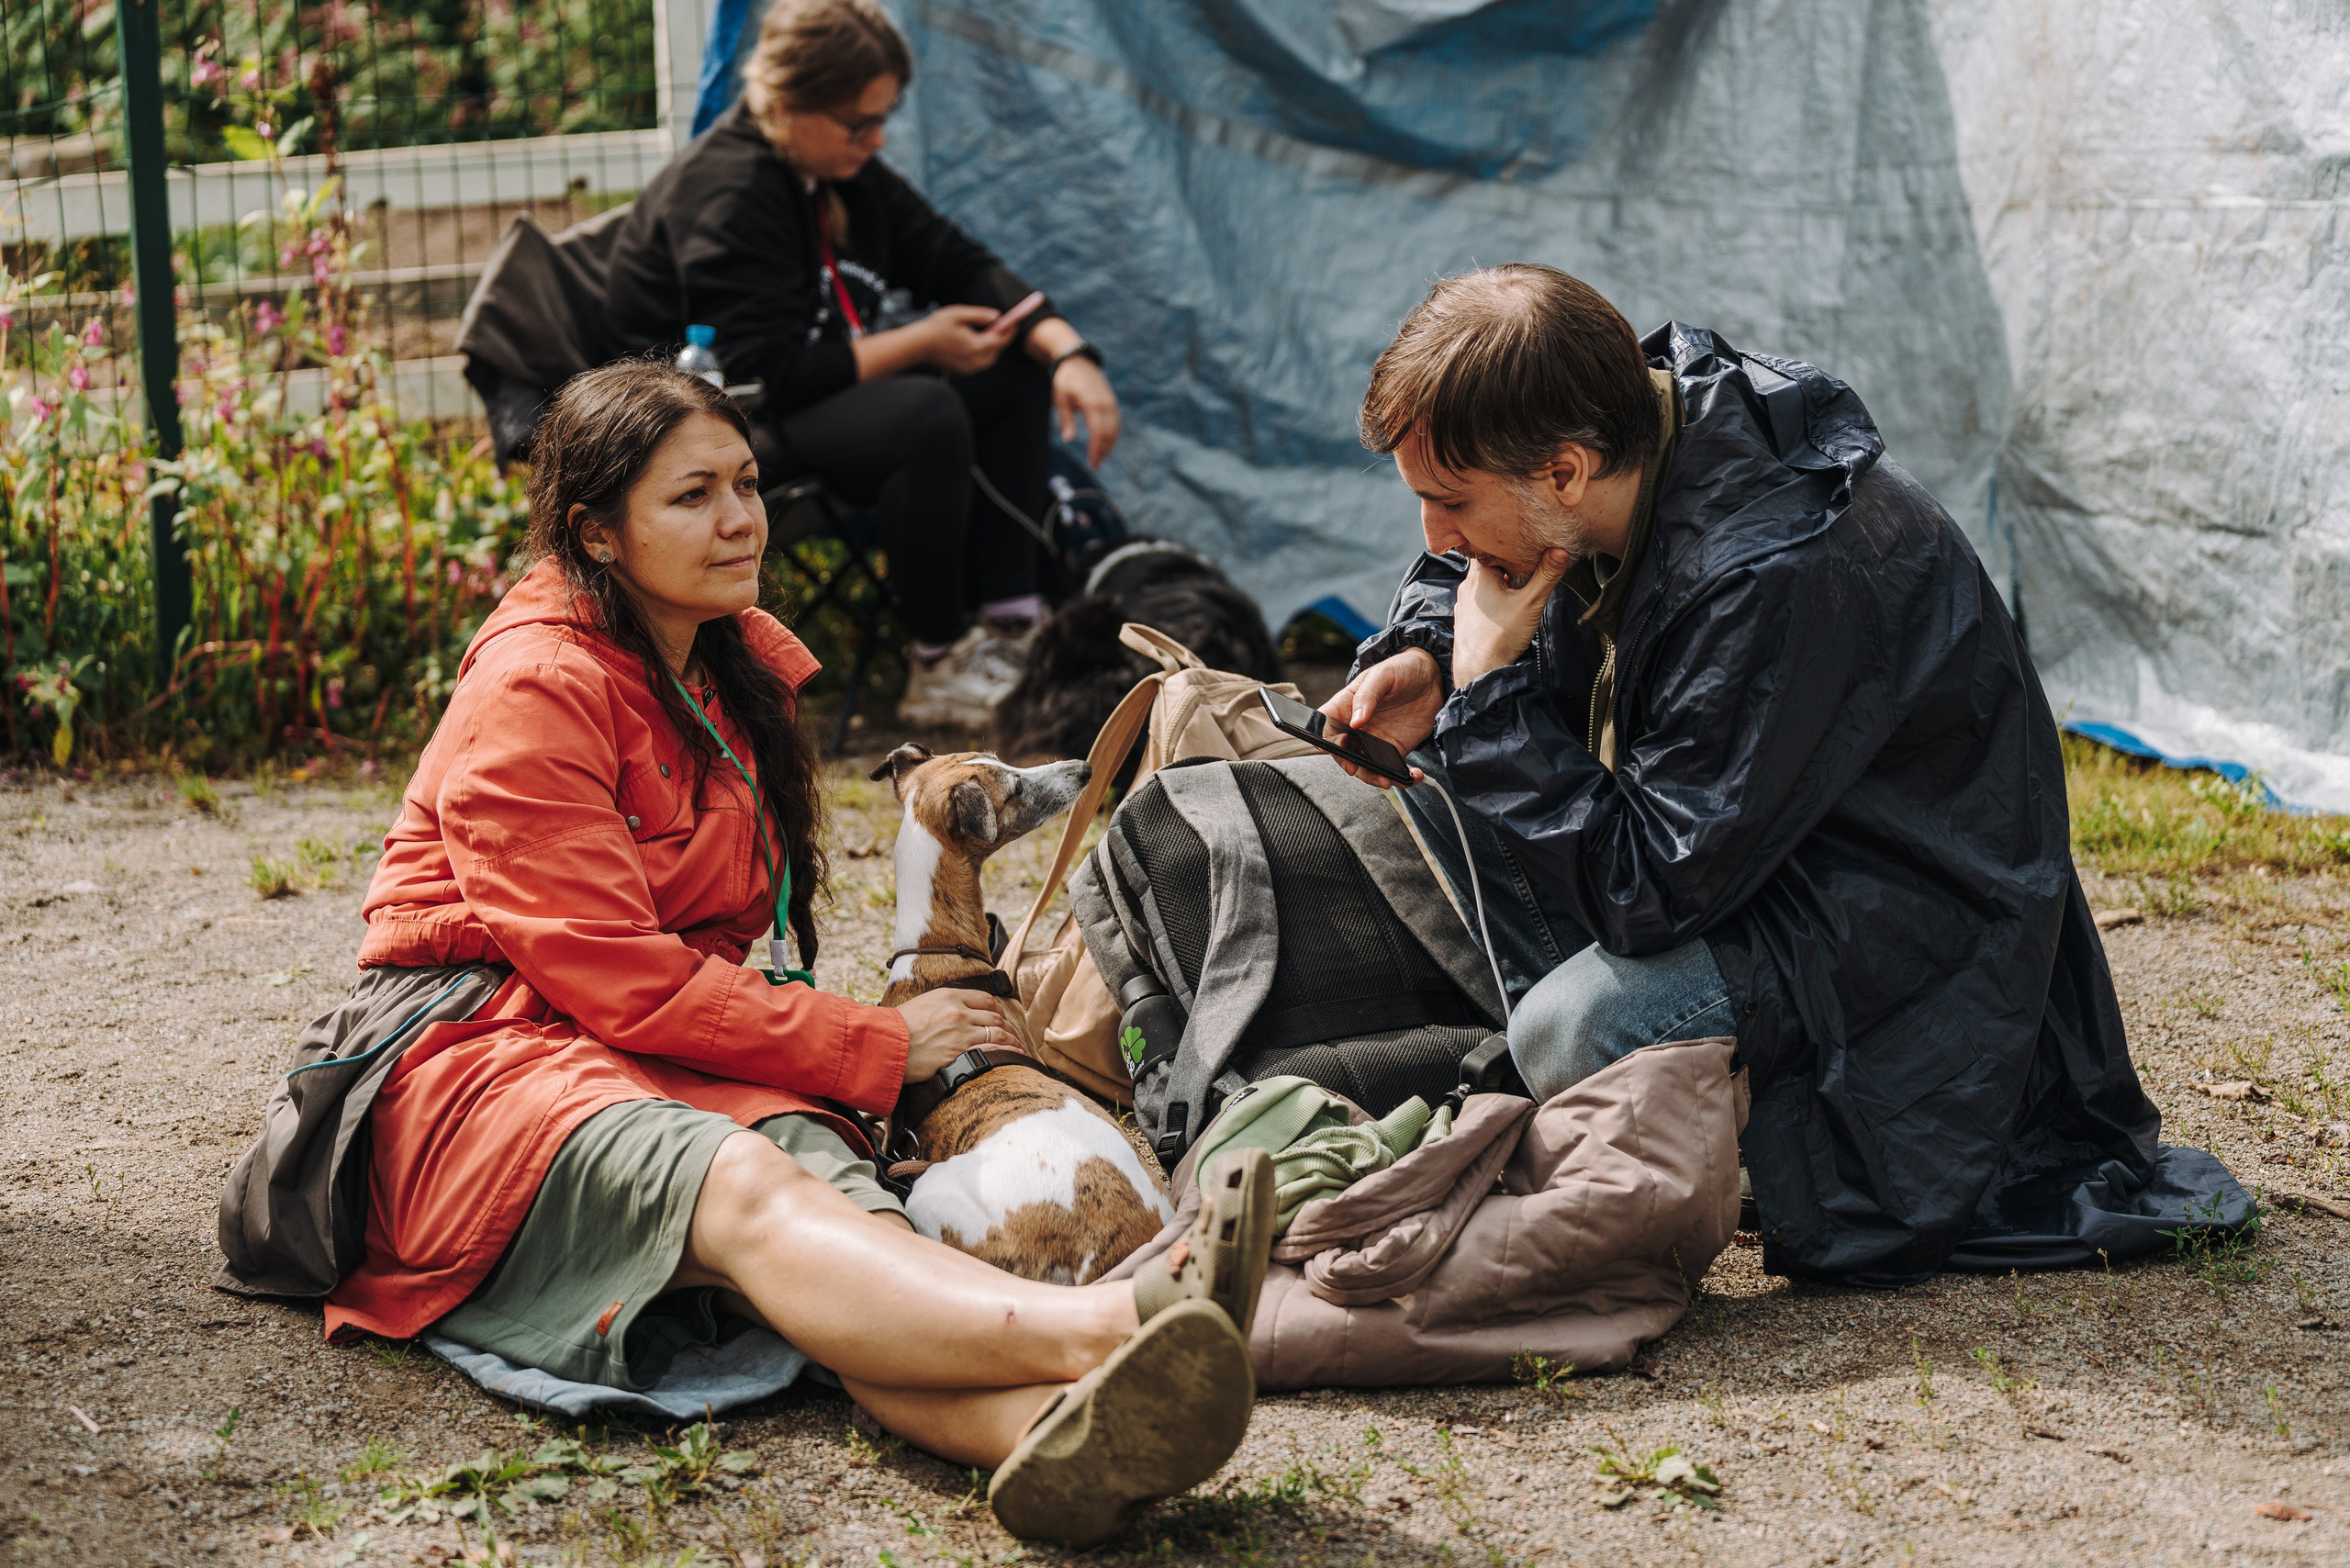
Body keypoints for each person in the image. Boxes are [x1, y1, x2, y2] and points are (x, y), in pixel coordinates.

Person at [319, 361, 1268, 1549]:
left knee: (851, 1229)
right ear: (595, 533)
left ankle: (1052, 1430)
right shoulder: (533, 688)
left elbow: (688, 968)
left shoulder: (723, 661)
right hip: (478, 1056)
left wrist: (821, 1062)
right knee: (748, 1190)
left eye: (749, 483)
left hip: (646, 1042)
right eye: (693, 495)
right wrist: (871, 1042)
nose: (741, 518)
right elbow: (613, 971)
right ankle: (1117, 1328)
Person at [1319, 264, 2229, 1287]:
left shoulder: (1768, 569)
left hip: (1892, 931)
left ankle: (1724, 1141)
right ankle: (1643, 1108)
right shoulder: (1629, 435)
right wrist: (1429, 657)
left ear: (1567, 472)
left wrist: (1486, 701)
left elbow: (1648, 890)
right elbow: (1469, 570)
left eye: (1449, 503)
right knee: (1433, 806)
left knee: (1575, 1026)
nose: (1435, 538)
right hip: (1746, 863)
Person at [603, 0, 1123, 727]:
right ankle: (938, 663)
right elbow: (764, 377)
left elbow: (958, 262)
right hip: (707, 438)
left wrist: (1067, 351)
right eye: (859, 123)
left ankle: (1012, 631)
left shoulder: (840, 171)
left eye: (884, 118)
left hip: (795, 408)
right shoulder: (729, 192)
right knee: (924, 412)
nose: (876, 140)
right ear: (787, 105)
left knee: (1011, 371)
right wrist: (921, 342)